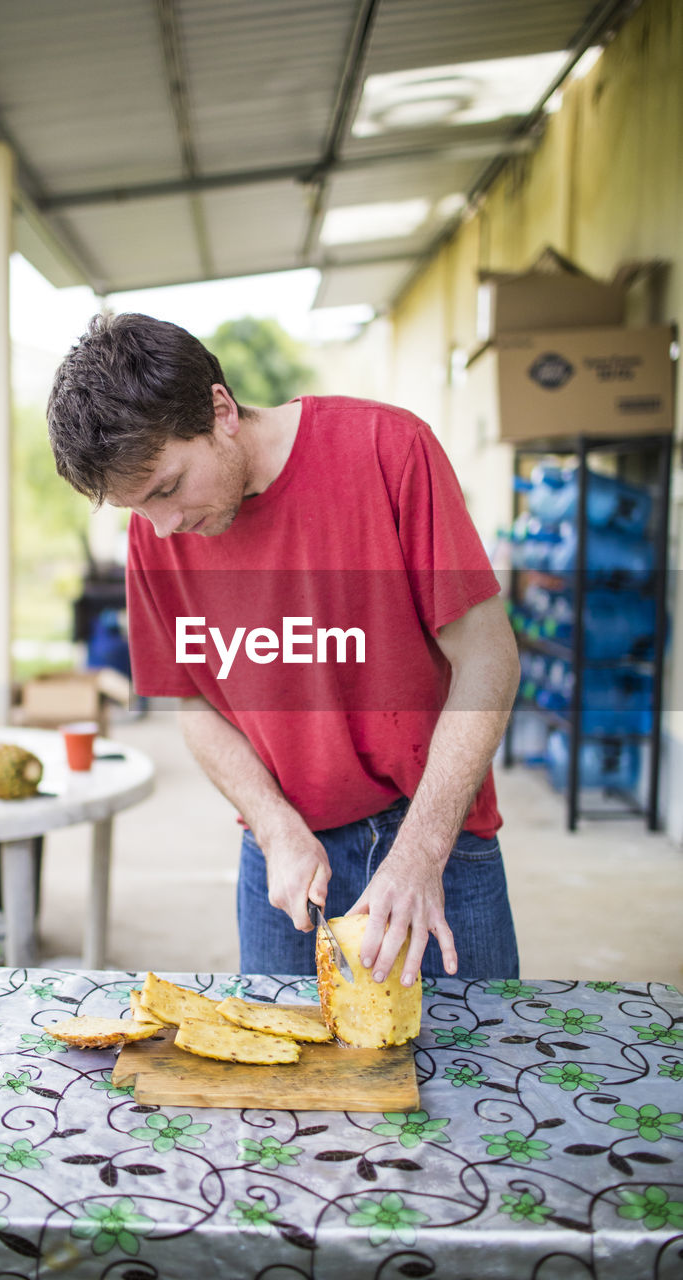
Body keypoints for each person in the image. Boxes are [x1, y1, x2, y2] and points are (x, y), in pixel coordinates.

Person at [48, 311, 521, 987]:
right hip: (284, 851)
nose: (164, 527)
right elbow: (193, 704)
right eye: (137, 510)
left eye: (168, 488)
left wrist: (420, 851)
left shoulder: (389, 450)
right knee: (281, 1084)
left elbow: (487, 658)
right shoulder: (155, 536)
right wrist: (273, 827)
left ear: (220, 410)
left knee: (483, 1074)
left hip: (436, 838)